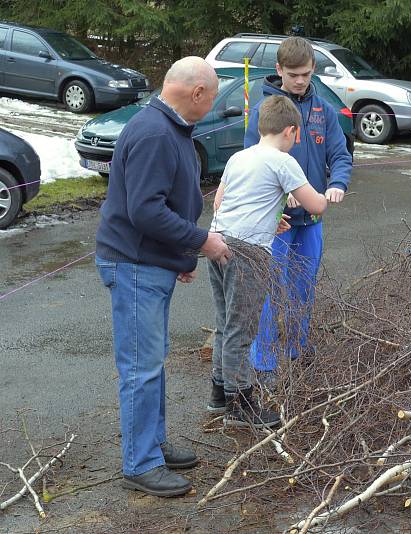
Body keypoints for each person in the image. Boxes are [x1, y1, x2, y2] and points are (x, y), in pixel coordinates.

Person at [95, 56, 231, 497]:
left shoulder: (167, 127)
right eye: (210, 99)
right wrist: (199, 242)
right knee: (141, 366)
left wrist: (178, 257)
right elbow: (146, 210)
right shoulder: (155, 132)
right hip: (134, 265)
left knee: (151, 361)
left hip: (149, 263)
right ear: (196, 93)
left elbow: (162, 205)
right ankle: (140, 463)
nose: (210, 108)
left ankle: (150, 443)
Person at [206, 95, 327, 428]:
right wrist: (326, 195)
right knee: (242, 327)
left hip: (217, 242)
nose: (297, 140)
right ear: (289, 131)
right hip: (246, 252)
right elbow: (314, 206)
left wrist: (271, 216)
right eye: (297, 134)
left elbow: (221, 201)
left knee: (224, 321)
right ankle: (240, 403)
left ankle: (219, 390)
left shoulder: (239, 157)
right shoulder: (282, 161)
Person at [243, 36, 352, 379]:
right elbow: (253, 160)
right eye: (293, 75)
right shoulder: (266, 111)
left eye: (306, 74)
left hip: (311, 219)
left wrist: (338, 183)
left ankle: (298, 348)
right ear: (279, 70)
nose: (300, 81)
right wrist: (281, 191)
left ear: (313, 70)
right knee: (270, 291)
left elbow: (340, 154)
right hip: (276, 221)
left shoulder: (324, 111)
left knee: (303, 288)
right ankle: (263, 361)